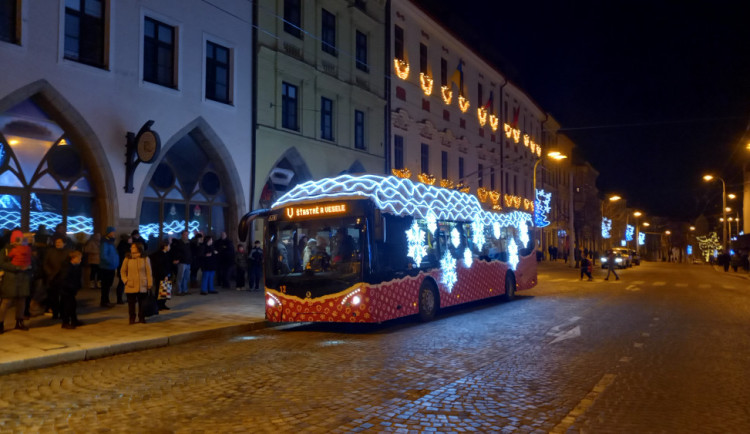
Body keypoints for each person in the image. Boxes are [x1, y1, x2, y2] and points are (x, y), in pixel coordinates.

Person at [0, 230, 33, 333]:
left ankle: (19, 321)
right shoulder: (5, 250)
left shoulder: (26, 249)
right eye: (17, 239)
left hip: (23, 278)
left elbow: (31, 261)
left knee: (21, 301)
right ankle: (0, 323)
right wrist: (17, 268)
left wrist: (30, 267)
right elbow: (2, 263)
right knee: (6, 301)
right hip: (10, 279)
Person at [120, 242, 153, 324]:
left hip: (142, 285)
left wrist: (149, 283)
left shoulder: (145, 258)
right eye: (131, 247)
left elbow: (149, 272)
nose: (131, 248)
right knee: (131, 304)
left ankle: (142, 317)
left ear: (139, 248)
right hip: (131, 284)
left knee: (142, 303)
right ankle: (132, 318)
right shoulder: (127, 258)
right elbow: (122, 271)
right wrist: (126, 281)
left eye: (133, 247)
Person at [43, 237, 70, 319]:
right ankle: (55, 313)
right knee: (53, 297)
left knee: (63, 297)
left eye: (60, 242)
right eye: (56, 242)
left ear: (64, 243)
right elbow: (45, 263)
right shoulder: (50, 251)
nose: (57, 244)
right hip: (52, 277)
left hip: (63, 278)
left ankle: (63, 313)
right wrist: (49, 272)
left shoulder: (68, 252)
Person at [58, 250, 83, 329]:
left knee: (72, 305)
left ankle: (74, 320)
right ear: (73, 258)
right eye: (79, 258)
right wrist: (71, 287)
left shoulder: (76, 267)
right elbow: (64, 279)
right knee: (67, 306)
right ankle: (65, 322)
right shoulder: (67, 267)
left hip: (71, 289)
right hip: (66, 290)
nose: (80, 260)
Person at [98, 227, 118, 308]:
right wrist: (111, 262)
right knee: (105, 286)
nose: (114, 234)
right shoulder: (105, 242)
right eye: (113, 232)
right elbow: (103, 255)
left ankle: (106, 301)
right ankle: (104, 302)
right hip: (106, 267)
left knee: (108, 285)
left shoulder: (110, 242)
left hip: (110, 267)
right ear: (109, 233)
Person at [150, 240, 172, 311]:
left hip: (165, 274)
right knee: (160, 289)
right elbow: (160, 266)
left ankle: (162, 304)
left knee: (165, 289)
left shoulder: (166, 254)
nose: (169, 247)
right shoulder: (159, 255)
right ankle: (158, 304)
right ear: (165, 246)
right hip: (161, 275)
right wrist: (165, 274)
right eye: (168, 246)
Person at [171, 230, 192, 296]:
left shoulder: (189, 242)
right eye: (185, 234)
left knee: (186, 277)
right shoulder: (179, 243)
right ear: (182, 235)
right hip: (182, 262)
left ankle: (185, 290)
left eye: (187, 234)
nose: (186, 236)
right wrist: (178, 259)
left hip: (188, 262)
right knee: (180, 277)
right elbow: (177, 252)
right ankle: (179, 291)